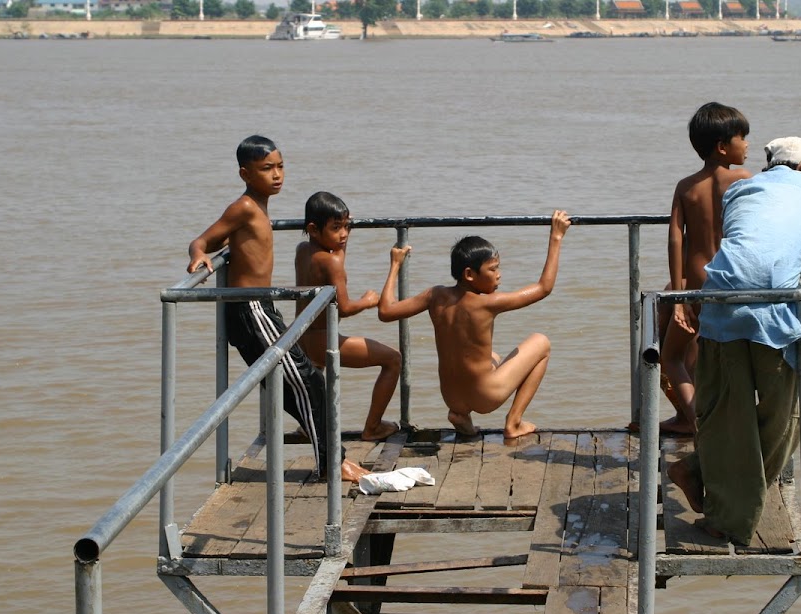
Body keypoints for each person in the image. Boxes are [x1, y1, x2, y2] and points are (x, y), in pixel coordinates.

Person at [668, 136, 801, 546]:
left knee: (728, 412)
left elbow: (741, 245)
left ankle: (697, 471)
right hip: (773, 312)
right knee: (786, 420)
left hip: (719, 306)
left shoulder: (742, 187)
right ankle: (726, 520)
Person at [186, 135, 369, 483]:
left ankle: (332, 459)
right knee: (307, 381)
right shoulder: (244, 207)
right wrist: (200, 255)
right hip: (250, 309)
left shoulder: (259, 206)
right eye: (266, 168)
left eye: (280, 166)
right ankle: (334, 465)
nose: (277, 175)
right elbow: (202, 240)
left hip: (262, 307)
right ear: (245, 173)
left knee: (303, 382)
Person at [377, 211, 572, 439]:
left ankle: (461, 416)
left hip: (451, 397)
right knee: (541, 343)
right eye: (493, 269)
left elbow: (385, 311)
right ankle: (513, 422)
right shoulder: (488, 303)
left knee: (494, 356)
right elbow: (543, 288)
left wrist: (395, 265)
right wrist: (556, 237)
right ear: (469, 274)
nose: (498, 275)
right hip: (485, 396)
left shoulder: (435, 295)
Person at [658, 102, 753, 436]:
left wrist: (679, 296)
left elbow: (675, 240)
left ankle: (694, 417)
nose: (747, 145)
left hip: (694, 283)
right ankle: (714, 423)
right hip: (730, 282)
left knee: (676, 357)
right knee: (718, 358)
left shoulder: (686, 186)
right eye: (743, 138)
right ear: (723, 146)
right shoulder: (744, 180)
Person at [294, 191, 401, 442]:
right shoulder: (331, 264)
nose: (343, 234)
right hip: (323, 341)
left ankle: (309, 424)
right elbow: (343, 308)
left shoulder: (303, 250)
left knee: (317, 376)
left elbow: (336, 257)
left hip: (300, 338)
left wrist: (342, 234)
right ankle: (373, 427)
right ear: (313, 229)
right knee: (393, 360)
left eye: (346, 227)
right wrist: (368, 301)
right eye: (336, 228)